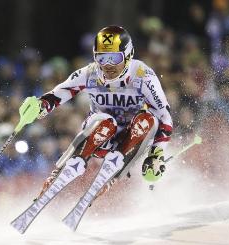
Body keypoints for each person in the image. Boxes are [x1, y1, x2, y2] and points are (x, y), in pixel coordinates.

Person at [23, 25, 173, 197]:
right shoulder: (90, 72)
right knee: (103, 121)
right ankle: (66, 168)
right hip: (101, 137)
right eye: (101, 58)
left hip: (132, 140)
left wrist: (157, 152)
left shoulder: (143, 75)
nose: (108, 65)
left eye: (114, 58)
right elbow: (61, 92)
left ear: (128, 55)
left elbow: (164, 115)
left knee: (148, 119)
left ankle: (115, 169)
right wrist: (39, 106)